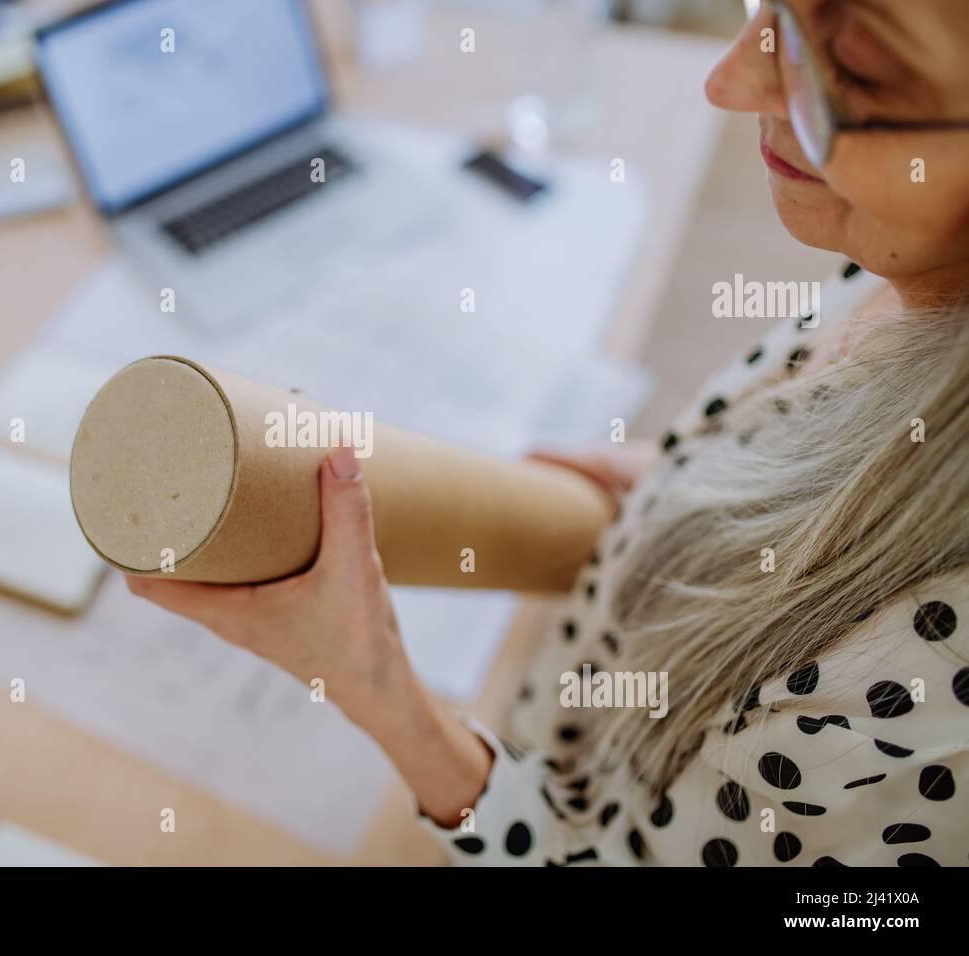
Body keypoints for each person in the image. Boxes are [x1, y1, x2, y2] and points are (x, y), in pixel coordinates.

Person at [128, 0, 969, 866]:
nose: (728, 82)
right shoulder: (905, 258)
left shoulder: (935, 656)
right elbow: (843, 430)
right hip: (585, 685)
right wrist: (692, 476)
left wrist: (375, 690)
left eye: (856, 70)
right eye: (772, 9)